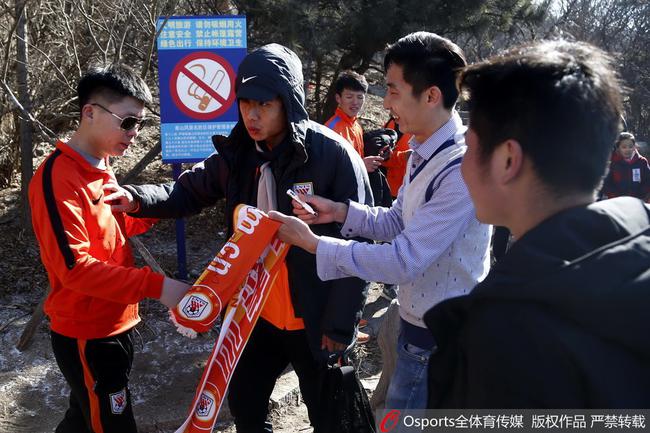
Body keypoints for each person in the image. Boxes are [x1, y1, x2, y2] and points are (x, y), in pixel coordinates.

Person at [104, 44, 372, 432]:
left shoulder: (331, 155)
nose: (252, 115)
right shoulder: (239, 153)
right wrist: (137, 198)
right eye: (245, 103)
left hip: (312, 316)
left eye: (263, 104)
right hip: (254, 313)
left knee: (331, 418)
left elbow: (358, 246)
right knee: (245, 406)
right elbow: (188, 190)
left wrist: (340, 326)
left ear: (289, 101)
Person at [270, 32, 492, 409]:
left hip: (440, 340)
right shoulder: (424, 148)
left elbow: (404, 259)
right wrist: (338, 210)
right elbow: (394, 220)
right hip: (418, 326)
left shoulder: (460, 168)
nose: (385, 102)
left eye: (393, 90)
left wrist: (313, 243)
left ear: (431, 96)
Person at [423, 40, 650, 407]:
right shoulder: (636, 250)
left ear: (508, 160)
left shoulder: (503, 334)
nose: (462, 165)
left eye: (468, 146)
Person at [28, 64, 191, 433]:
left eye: (141, 124)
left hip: (115, 324)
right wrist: (159, 287)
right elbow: (75, 268)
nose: (134, 134)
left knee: (82, 418)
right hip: (88, 333)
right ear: (90, 113)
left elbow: (112, 229)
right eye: (128, 121)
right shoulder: (57, 177)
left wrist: (155, 208)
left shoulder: (100, 164)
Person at [325, 70, 384, 174]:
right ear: (338, 98)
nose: (355, 102)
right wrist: (361, 165)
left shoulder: (356, 126)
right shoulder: (331, 129)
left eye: (360, 97)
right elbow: (327, 169)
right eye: (349, 97)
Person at [601, 131, 650, 201]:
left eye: (630, 146)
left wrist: (641, 194)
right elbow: (606, 184)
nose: (627, 149)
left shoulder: (642, 162)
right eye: (624, 147)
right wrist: (615, 195)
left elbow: (648, 180)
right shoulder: (613, 164)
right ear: (618, 148)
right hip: (617, 202)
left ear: (634, 147)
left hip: (637, 201)